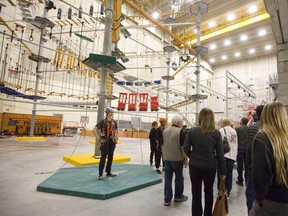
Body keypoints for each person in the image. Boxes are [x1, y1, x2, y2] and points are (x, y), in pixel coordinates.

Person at [184, 108, 226, 216]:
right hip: (210, 166)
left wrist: (192, 156)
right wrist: (223, 172)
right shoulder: (216, 133)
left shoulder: (192, 130)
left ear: (200, 117)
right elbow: (220, 154)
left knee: (196, 193)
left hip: (194, 166)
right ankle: (208, 214)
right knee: (209, 192)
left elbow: (186, 147)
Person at [249, 102, 288, 216]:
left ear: (265, 116)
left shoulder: (262, 137)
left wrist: (259, 198)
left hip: (272, 201)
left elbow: (261, 176)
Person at [162, 115, 188, 206]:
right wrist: (186, 159)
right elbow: (183, 147)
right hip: (177, 159)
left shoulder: (165, 131)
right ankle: (178, 196)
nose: (182, 123)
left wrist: (164, 156)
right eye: (182, 121)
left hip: (167, 159)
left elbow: (162, 145)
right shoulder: (181, 131)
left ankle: (167, 199)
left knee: (168, 179)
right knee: (179, 178)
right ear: (178, 122)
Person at [245, 105, 264, 213]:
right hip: (270, 166)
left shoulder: (252, 127)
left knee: (250, 191)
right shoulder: (275, 127)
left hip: (254, 165)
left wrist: (247, 163)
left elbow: (250, 148)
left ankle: (251, 212)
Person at [92, 107, 118, 180]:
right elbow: (94, 130)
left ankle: (108, 172)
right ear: (107, 113)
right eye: (111, 112)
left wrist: (116, 137)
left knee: (110, 157)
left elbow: (116, 130)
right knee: (103, 158)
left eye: (112, 112)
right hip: (105, 142)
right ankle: (100, 174)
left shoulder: (114, 122)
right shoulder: (103, 122)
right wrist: (98, 138)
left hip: (112, 142)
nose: (112, 114)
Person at [219, 118, 238, 197]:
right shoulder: (234, 131)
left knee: (221, 174)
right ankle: (228, 192)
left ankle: (221, 190)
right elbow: (235, 143)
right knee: (229, 174)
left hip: (223, 155)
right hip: (232, 156)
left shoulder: (221, 130)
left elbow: (218, 143)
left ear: (223, 123)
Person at [235, 116, 249, 186]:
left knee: (240, 165)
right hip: (247, 149)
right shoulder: (249, 128)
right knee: (247, 165)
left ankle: (240, 180)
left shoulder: (238, 128)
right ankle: (247, 179)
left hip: (240, 149)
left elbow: (235, 139)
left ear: (241, 121)